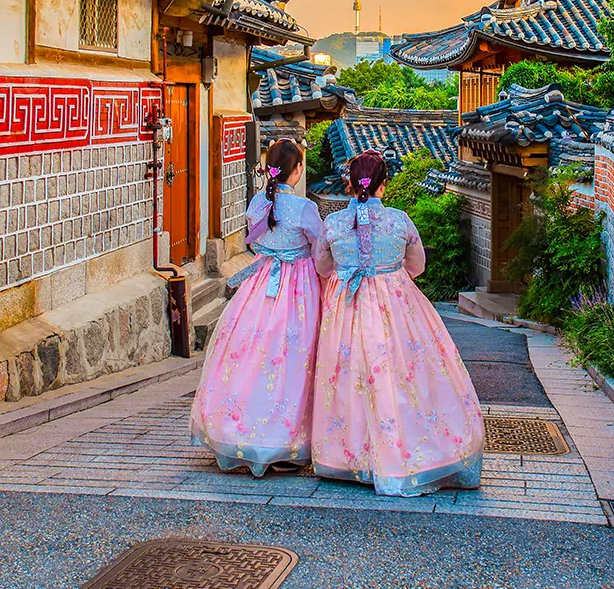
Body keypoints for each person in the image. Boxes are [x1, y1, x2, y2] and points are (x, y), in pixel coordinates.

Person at [311, 149, 484, 496]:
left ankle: (349, 457)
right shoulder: (399, 220)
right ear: (383, 184)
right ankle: (406, 451)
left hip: (347, 305)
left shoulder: (333, 224)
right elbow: (417, 265)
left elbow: (321, 266)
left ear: (349, 182)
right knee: (402, 373)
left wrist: (347, 272)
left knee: (348, 374)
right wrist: (388, 274)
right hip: (395, 303)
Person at [190, 138, 325, 475]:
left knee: (252, 355)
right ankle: (286, 441)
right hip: (297, 288)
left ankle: (239, 428)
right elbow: (320, 249)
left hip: (261, 283)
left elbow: (257, 241)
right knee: (293, 358)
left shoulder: (257, 204)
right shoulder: (304, 209)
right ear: (296, 171)